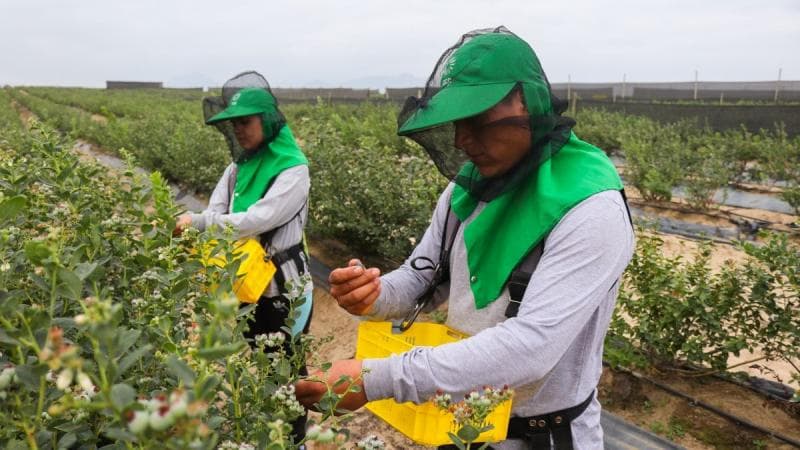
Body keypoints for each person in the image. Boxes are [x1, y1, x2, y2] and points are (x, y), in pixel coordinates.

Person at [295, 27, 634, 450]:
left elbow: (531, 347)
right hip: (461, 422)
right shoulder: (467, 191)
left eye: (478, 119)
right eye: (457, 121)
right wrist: (375, 294)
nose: (461, 139)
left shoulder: (590, 207)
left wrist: (376, 377)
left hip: (543, 435)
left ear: (527, 104)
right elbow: (420, 277)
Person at [174, 75, 313, 441]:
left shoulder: (293, 169)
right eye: (235, 123)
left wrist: (201, 223)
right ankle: (268, 435)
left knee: (287, 373)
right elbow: (219, 208)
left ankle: (293, 441)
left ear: (267, 122)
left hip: (284, 290)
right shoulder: (237, 168)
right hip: (244, 284)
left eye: (245, 122)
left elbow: (258, 220)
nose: (238, 130)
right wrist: (206, 221)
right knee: (260, 365)